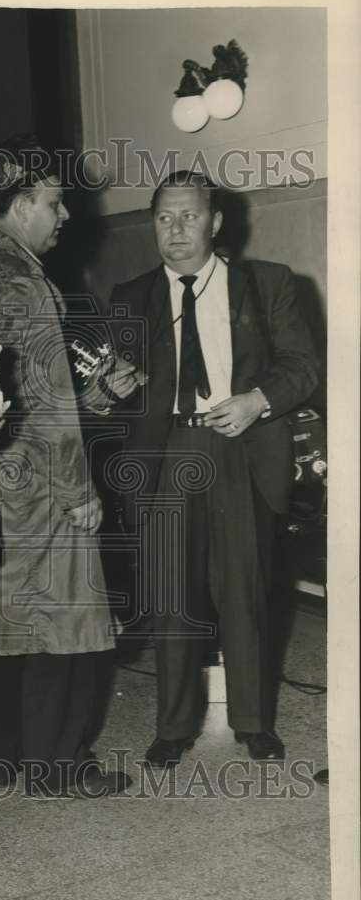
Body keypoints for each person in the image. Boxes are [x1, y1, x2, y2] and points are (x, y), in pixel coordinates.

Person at [109, 170, 319, 768]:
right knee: (171, 595)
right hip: (166, 454)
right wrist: (113, 385)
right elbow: (113, 386)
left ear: (216, 222)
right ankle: (174, 725)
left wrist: (258, 401)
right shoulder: (131, 296)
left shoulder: (268, 283)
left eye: (190, 216)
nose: (176, 231)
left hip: (239, 451)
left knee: (244, 592)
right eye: (164, 219)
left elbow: (304, 366)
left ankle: (253, 722)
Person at [0, 134, 138, 799]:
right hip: (39, 483)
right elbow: (47, 403)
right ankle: (60, 765)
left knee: (1, 622)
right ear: (20, 200)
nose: (64, 216)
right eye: (55, 202)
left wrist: (88, 397)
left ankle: (4, 759)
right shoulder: (23, 283)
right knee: (70, 625)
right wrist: (78, 488)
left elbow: (20, 390)